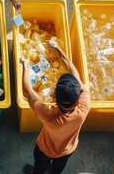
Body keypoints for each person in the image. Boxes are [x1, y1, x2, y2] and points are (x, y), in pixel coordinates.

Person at [20, 39, 91, 174]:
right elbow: (74, 72)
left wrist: (24, 65)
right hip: (67, 151)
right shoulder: (84, 107)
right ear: (77, 100)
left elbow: (28, 93)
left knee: (39, 169)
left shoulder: (48, 116)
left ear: (54, 98)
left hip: (44, 151)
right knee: (57, 169)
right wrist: (57, 48)